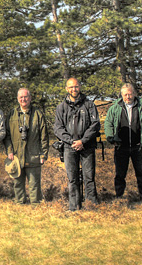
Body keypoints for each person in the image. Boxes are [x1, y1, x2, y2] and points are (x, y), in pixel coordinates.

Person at [54, 77, 100, 211]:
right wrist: (71, 141)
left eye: (76, 86)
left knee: (89, 177)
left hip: (87, 146)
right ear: (66, 89)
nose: (74, 89)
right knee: (72, 178)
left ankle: (91, 206)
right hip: (69, 147)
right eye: (71, 87)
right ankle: (74, 207)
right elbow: (58, 128)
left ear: (80, 87)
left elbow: (95, 124)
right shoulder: (61, 107)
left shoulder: (89, 104)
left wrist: (83, 141)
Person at [104, 83, 142, 200]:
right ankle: (119, 196)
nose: (128, 97)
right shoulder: (115, 108)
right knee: (120, 174)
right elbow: (108, 123)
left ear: (135, 94)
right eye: (125, 94)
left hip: (138, 147)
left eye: (130, 94)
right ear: (121, 95)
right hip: (121, 146)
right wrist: (111, 138)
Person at [4, 88, 49, 205]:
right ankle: (20, 203)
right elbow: (7, 135)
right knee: (17, 182)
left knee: (34, 182)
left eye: (26, 97)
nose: (23, 99)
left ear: (30, 98)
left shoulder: (37, 113)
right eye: (21, 97)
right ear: (17, 99)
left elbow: (44, 136)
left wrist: (43, 153)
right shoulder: (12, 114)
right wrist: (9, 151)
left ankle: (35, 204)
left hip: (33, 154)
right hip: (16, 155)